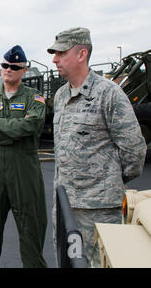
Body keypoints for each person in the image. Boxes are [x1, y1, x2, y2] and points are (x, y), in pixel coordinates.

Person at [48, 27, 147, 266]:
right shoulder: (61, 96)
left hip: (99, 211)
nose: (54, 59)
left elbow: (134, 151)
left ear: (82, 54)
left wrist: (106, 183)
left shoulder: (109, 94)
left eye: (61, 53)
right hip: (64, 206)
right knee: (67, 262)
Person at [0, 45, 48, 268]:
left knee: (31, 235)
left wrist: (1, 124)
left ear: (24, 70)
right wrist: (14, 134)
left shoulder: (34, 98)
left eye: (14, 67)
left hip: (23, 173)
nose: (8, 69)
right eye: (5, 65)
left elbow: (33, 124)